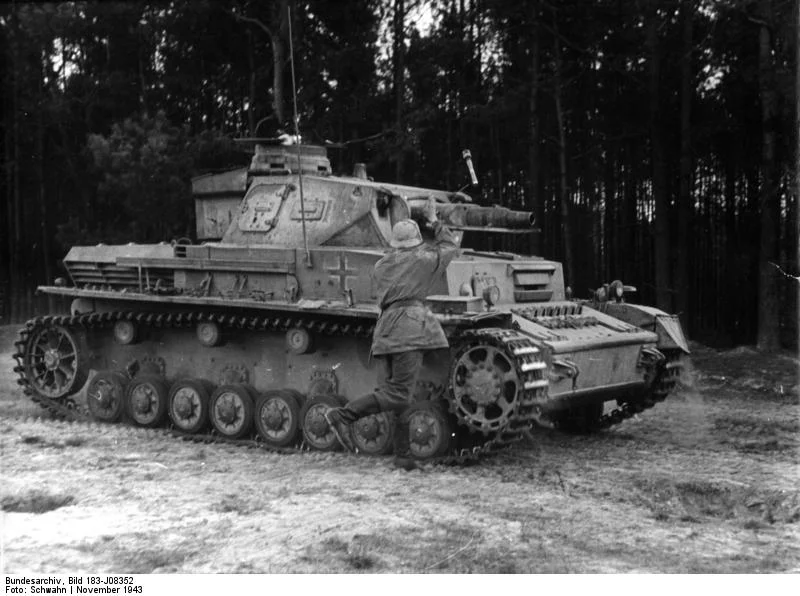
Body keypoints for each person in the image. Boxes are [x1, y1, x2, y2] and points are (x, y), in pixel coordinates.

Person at [325, 197, 459, 464]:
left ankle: (403, 455)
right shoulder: (423, 259)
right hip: (409, 329)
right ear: (417, 239)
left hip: (386, 330)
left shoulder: (381, 265)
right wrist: (434, 220)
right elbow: (450, 246)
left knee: (400, 395)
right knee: (399, 394)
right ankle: (342, 416)